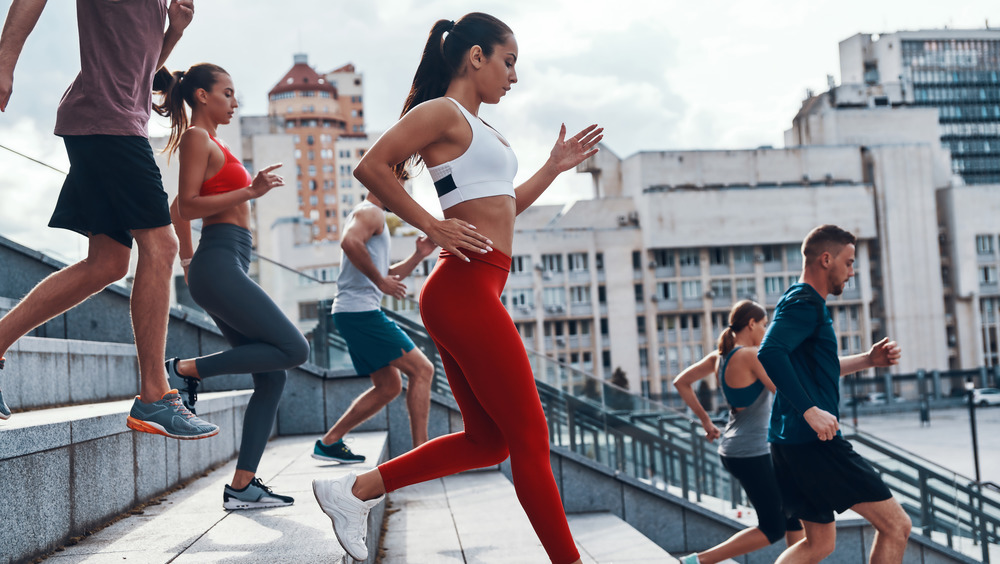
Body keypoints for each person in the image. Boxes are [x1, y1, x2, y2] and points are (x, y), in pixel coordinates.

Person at [311, 13, 602, 564]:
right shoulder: (441, 112)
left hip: (473, 290)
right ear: (475, 56)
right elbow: (371, 167)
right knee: (531, 439)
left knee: (489, 441)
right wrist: (430, 225)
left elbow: (504, 207)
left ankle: (354, 491)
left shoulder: (479, 127)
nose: (513, 77)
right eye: (508, 61)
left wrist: (553, 167)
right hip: (463, 288)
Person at [0, 0, 218, 439]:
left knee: (107, 264)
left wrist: (173, 31)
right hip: (106, 123)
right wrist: (4, 64)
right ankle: (155, 396)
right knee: (162, 244)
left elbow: (137, 67)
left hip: (114, 123)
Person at [153, 63, 310, 508]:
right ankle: (185, 370)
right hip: (220, 262)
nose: (234, 101)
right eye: (227, 93)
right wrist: (250, 192)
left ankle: (242, 486)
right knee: (296, 349)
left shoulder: (215, 143)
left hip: (225, 263)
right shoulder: (197, 138)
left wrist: (187, 258)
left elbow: (175, 207)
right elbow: (187, 203)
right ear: (202, 96)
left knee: (273, 377)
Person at [757, 224, 911, 563]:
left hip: (788, 443)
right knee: (897, 526)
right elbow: (768, 353)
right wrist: (810, 410)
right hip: (814, 443)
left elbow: (815, 368)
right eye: (849, 262)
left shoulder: (794, 299)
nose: (852, 272)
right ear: (826, 259)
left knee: (819, 544)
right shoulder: (805, 304)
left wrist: (869, 360)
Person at [673, 300, 804, 564]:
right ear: (751, 324)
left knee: (793, 513)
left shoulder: (719, 357)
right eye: (764, 325)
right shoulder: (750, 355)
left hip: (739, 448)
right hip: (752, 451)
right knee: (773, 527)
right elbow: (783, 391)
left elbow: (681, 382)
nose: (765, 331)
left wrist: (706, 422)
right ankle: (698, 561)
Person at [312, 188, 437, 463]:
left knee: (389, 386)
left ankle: (329, 442)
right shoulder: (371, 212)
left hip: (353, 313)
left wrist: (419, 255)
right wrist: (381, 283)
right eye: (402, 185)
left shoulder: (372, 215)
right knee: (423, 370)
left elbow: (388, 274)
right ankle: (421, 454)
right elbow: (349, 242)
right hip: (360, 313)